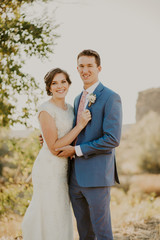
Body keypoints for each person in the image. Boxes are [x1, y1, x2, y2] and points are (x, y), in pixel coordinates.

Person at [56, 49, 122, 240]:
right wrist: (51, 138)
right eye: (81, 66)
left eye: (89, 66)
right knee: (84, 233)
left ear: (99, 68)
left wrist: (76, 150)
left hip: (97, 176)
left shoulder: (111, 97)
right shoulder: (77, 99)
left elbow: (112, 139)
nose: (85, 70)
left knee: (102, 233)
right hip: (74, 177)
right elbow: (75, 131)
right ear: (77, 69)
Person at [22, 68, 91, 240]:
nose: (60, 86)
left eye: (63, 81)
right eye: (55, 83)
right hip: (48, 168)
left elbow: (70, 139)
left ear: (68, 84)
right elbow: (54, 147)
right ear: (49, 87)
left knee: (61, 210)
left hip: (64, 168)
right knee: (48, 209)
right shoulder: (45, 109)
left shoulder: (71, 108)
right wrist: (80, 125)